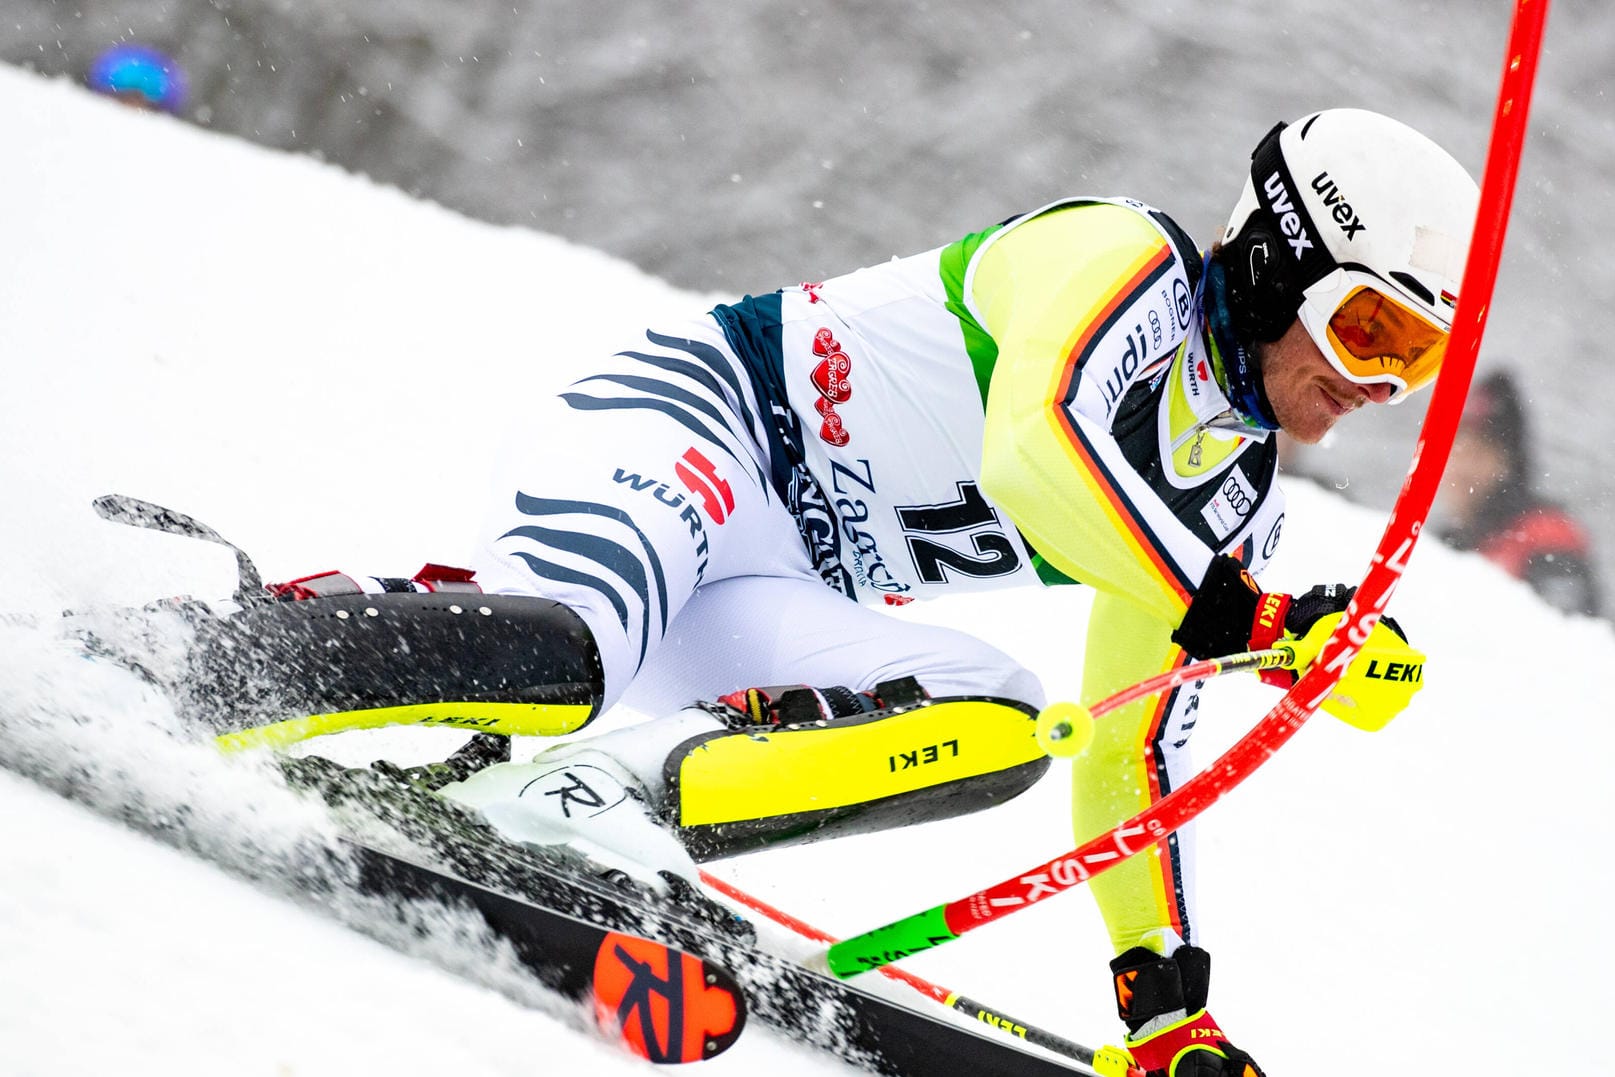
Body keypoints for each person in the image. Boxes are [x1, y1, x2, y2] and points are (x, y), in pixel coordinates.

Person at [180, 108, 1474, 1076]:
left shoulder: (1225, 486)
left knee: (1005, 721)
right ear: (1275, 264)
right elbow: (1032, 443)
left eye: (1411, 359)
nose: (1377, 384)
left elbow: (1127, 751)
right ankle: (216, 650)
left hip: (771, 576)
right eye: (1367, 330)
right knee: (571, 654)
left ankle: (560, 805)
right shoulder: (1114, 255)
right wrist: (1247, 620)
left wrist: (1162, 1003)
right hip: (698, 428)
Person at [1439, 370, 1600, 616]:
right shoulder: (1449, 543)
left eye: (1477, 453)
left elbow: (1567, 636)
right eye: (1453, 451)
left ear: (1507, 464)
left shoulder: (1547, 534)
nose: (1459, 468)